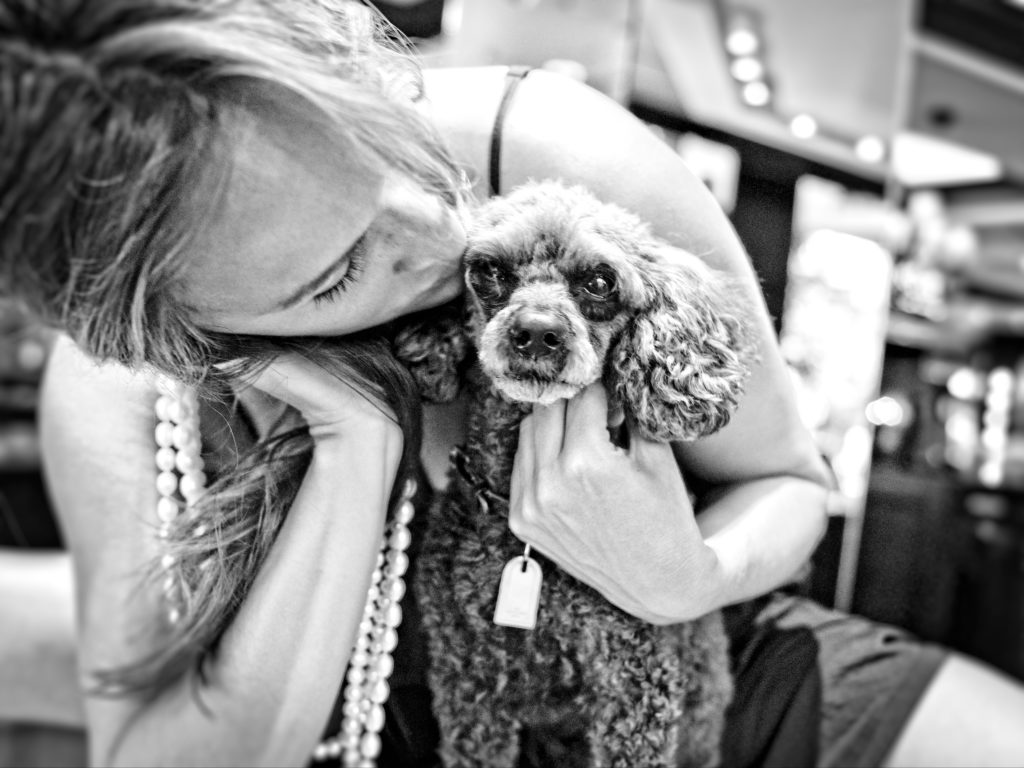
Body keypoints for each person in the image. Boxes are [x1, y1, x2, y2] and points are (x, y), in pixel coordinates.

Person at [2, 1, 1024, 766]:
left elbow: (794, 484)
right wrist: (354, 444)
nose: (439, 230)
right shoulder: (128, 392)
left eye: (388, 153)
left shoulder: (556, 156)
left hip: (703, 686)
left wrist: (687, 576)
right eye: (342, 272)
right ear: (195, 340)